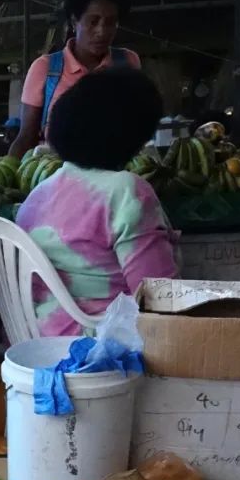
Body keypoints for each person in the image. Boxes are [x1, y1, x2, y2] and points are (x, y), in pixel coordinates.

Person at [16, 68, 176, 335]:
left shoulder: (38, 195)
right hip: (105, 350)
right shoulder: (126, 191)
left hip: (36, 345)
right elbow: (161, 299)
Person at [9, 0, 140, 159]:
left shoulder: (129, 63)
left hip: (116, 169)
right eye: (93, 21)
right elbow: (26, 137)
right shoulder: (45, 69)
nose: (101, 31)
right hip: (56, 173)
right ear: (74, 21)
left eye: (110, 23)